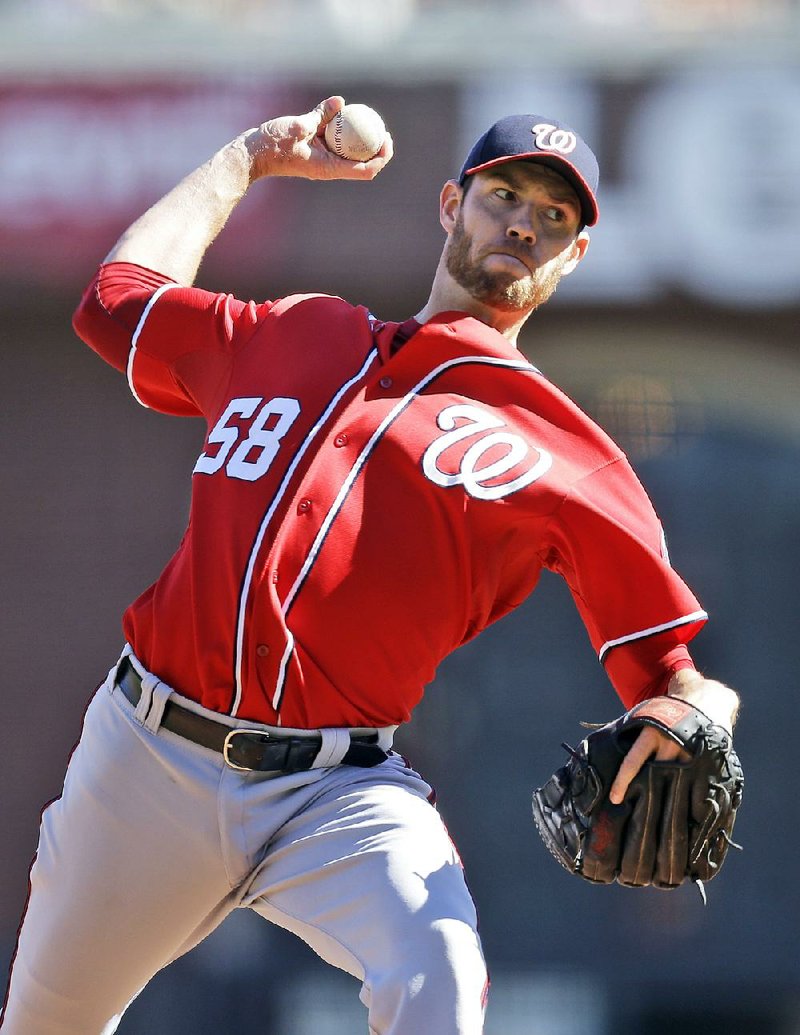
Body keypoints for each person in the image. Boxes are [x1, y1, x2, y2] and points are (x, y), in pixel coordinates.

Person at [1, 96, 739, 1035]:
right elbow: (117, 301)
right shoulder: (295, 332)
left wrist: (700, 710)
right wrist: (248, 158)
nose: (522, 220)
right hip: (147, 756)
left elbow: (675, 677)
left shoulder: (566, 451)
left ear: (574, 254)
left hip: (335, 790)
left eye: (554, 215)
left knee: (437, 966)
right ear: (449, 205)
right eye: (502, 192)